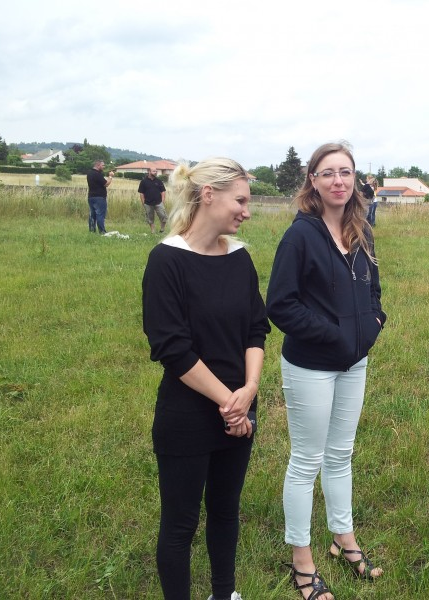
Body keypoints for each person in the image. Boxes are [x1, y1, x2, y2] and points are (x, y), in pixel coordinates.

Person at [142, 157, 270, 600]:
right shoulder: (166, 261)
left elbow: (257, 328)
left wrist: (249, 391)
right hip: (188, 415)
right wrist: (229, 402)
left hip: (240, 411)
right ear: (209, 195)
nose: (247, 212)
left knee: (225, 512)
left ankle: (224, 593)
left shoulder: (240, 258)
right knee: (180, 525)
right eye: (241, 201)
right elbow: (172, 348)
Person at [267, 142, 387, 600]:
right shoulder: (300, 236)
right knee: (306, 461)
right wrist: (334, 335)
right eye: (328, 172)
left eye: (346, 172)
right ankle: (302, 562)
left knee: (341, 454)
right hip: (311, 365)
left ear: (355, 179)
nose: (339, 180)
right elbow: (280, 304)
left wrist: (374, 324)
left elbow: (374, 292)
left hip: (354, 362)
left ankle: (344, 538)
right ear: (312, 181)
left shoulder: (362, 230)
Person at [86, 159, 114, 234]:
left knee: (92, 214)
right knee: (100, 214)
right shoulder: (97, 174)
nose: (104, 167)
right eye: (103, 165)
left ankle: (92, 231)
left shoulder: (89, 173)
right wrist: (110, 176)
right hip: (99, 198)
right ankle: (102, 231)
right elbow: (106, 184)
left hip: (91, 197)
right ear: (98, 165)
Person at [138, 167, 168, 233]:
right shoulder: (143, 181)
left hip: (158, 202)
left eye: (156, 171)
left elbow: (163, 191)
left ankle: (162, 230)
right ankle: (153, 231)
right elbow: (141, 193)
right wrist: (143, 203)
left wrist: (162, 201)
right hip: (148, 203)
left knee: (163, 216)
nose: (156, 172)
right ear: (149, 171)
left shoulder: (159, 181)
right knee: (150, 218)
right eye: (154, 171)